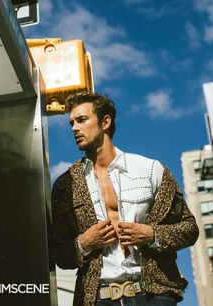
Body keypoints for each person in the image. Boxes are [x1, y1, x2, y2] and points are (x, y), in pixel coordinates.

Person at [51, 91, 199, 306]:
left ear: (105, 122)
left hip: (154, 294)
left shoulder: (150, 170)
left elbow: (189, 229)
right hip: (98, 297)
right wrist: (84, 242)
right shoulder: (66, 185)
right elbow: (60, 255)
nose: (74, 128)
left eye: (82, 120)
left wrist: (152, 234)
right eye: (72, 122)